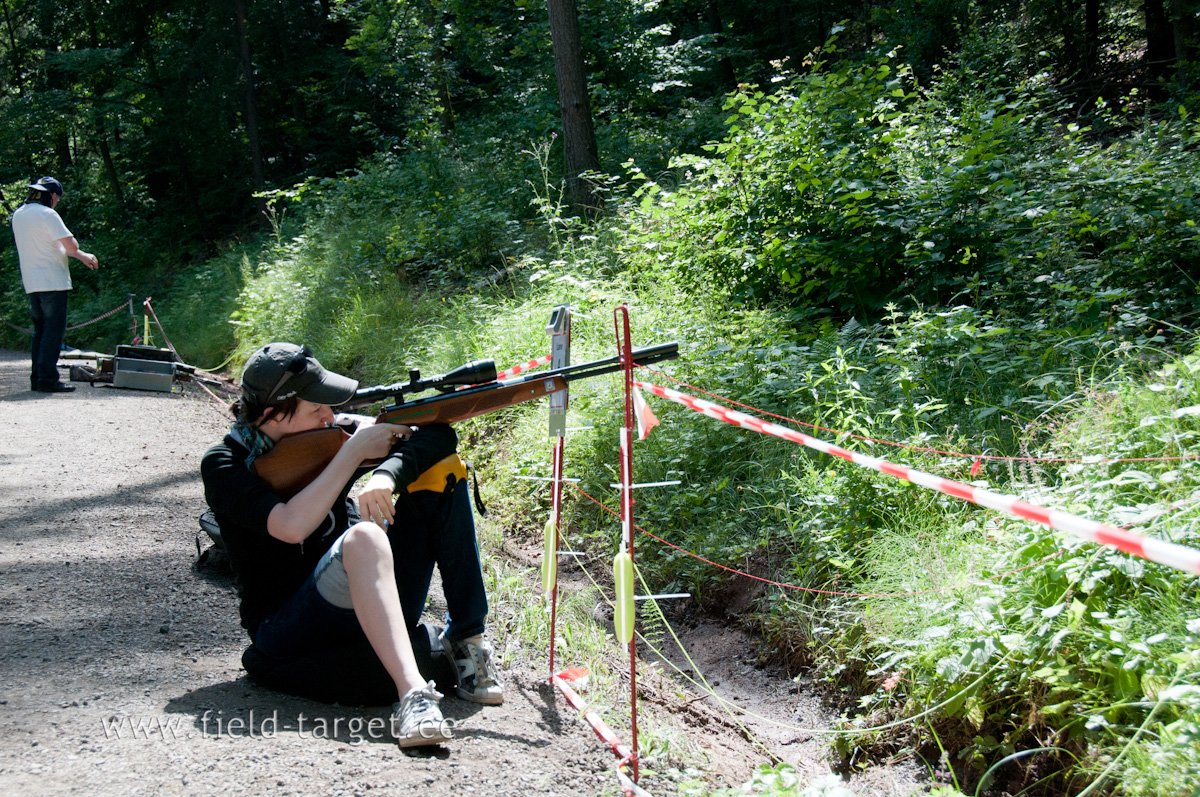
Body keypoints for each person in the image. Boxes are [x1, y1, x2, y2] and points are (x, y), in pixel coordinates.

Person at [201, 343, 502, 748]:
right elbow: (290, 526)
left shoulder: (327, 434)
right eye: (315, 408)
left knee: (444, 469)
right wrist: (352, 453)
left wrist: (385, 476)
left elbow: (438, 435)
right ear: (272, 413)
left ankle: (467, 640)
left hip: (361, 602)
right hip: (285, 627)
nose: (329, 416)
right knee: (364, 536)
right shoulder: (224, 463)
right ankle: (414, 696)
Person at [11, 177, 99, 393]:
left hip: (31, 282)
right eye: (57, 199)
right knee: (53, 331)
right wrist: (83, 254)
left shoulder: (18, 214)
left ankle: (37, 379)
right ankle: (48, 379)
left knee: (39, 331)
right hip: (53, 280)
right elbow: (71, 246)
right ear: (52, 195)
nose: (56, 202)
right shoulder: (47, 214)